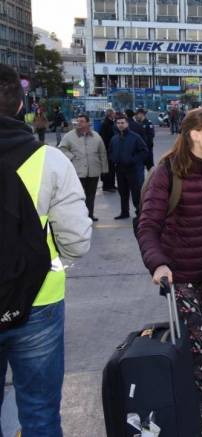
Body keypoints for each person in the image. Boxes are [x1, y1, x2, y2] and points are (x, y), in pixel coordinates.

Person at [136, 108, 202, 435]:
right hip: (180, 275)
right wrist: (158, 263)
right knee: (195, 345)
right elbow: (148, 226)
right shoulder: (166, 173)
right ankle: (197, 414)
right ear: (194, 134)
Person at [0, 64, 92, 437]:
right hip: (38, 301)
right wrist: (55, 263)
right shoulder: (49, 160)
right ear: (23, 105)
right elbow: (77, 240)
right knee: (39, 413)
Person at [57, 114, 109, 222]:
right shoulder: (69, 136)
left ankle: (89, 215)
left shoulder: (96, 136)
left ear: (88, 123)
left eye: (81, 121)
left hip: (93, 171)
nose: (79, 124)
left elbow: (102, 153)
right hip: (78, 171)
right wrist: (72, 157)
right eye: (77, 121)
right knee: (78, 196)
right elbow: (62, 149)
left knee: (91, 196)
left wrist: (104, 169)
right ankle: (79, 216)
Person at [110, 114, 148, 219]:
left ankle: (139, 213)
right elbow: (111, 152)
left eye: (122, 123)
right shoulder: (115, 139)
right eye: (118, 123)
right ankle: (124, 212)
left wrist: (132, 160)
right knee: (123, 192)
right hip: (120, 169)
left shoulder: (135, 137)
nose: (120, 125)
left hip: (133, 170)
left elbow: (144, 152)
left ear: (127, 124)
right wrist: (114, 159)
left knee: (136, 193)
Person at [99, 109, 117, 192]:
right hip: (107, 149)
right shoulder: (106, 124)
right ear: (110, 114)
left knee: (112, 168)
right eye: (114, 113)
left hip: (111, 149)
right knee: (108, 168)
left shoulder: (110, 123)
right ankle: (107, 186)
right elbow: (104, 138)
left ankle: (111, 185)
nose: (115, 115)